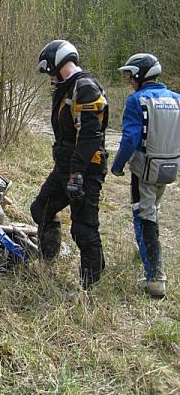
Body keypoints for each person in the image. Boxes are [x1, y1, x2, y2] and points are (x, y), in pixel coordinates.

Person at [30, 39, 108, 290]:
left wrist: (76, 175)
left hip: (85, 171)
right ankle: (47, 260)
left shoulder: (85, 88)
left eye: (49, 71)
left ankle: (90, 290)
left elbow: (89, 137)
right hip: (64, 169)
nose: (49, 77)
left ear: (57, 63)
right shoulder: (66, 88)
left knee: (84, 229)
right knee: (40, 209)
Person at [111, 53, 180, 298]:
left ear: (141, 75)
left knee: (144, 216)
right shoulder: (176, 99)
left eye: (131, 75)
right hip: (169, 168)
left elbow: (130, 139)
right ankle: (145, 255)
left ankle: (155, 277)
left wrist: (117, 165)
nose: (129, 80)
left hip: (144, 170)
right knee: (153, 211)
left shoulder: (137, 100)